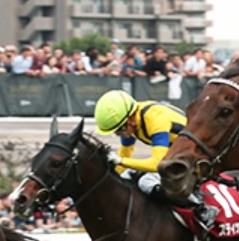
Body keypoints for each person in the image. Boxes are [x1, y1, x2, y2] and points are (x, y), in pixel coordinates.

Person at [93, 89, 218, 229]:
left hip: (199, 156)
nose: (119, 135)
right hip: (177, 154)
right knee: (127, 175)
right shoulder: (130, 123)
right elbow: (125, 156)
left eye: (119, 130)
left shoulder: (155, 119)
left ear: (130, 118)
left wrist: (120, 161)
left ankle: (201, 208)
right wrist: (108, 176)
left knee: (147, 181)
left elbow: (157, 163)